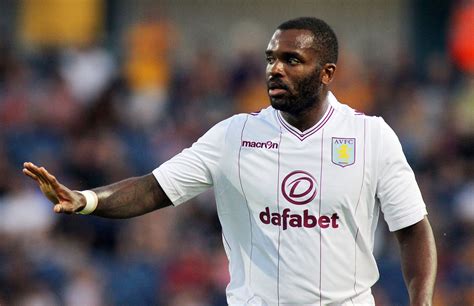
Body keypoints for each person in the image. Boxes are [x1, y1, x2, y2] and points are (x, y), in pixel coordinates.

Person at [23, 17, 437, 305]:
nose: (275, 69)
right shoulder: (234, 136)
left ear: (327, 72)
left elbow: (413, 230)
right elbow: (153, 188)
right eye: (271, 58)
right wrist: (85, 200)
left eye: (291, 60)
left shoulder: (371, 136)